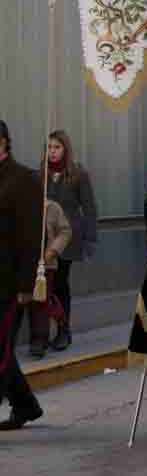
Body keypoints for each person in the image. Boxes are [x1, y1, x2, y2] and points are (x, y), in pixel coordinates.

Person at [0, 119, 44, 430]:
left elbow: (31, 237)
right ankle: (25, 404)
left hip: (9, 282)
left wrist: (27, 284)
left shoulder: (24, 179)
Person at [42, 130, 98, 352]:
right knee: (47, 286)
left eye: (56, 147)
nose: (52, 152)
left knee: (60, 284)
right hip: (46, 237)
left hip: (68, 238)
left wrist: (90, 239)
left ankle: (64, 331)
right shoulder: (41, 173)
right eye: (49, 147)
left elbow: (90, 208)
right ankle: (44, 332)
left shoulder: (77, 174)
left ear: (65, 149)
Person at [28, 200, 72, 359]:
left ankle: (40, 339)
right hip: (21, 264)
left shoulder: (51, 207)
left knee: (41, 300)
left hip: (44, 264)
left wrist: (52, 251)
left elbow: (65, 231)